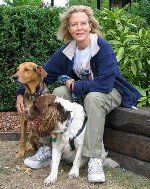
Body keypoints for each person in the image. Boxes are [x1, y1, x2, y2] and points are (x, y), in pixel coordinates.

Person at [16, 5, 141, 183]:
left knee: (93, 98)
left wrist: (76, 86)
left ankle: (94, 157)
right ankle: (47, 147)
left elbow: (105, 84)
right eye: (74, 24)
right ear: (68, 28)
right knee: (59, 92)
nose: (79, 28)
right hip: (84, 90)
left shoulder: (102, 48)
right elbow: (43, 74)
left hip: (111, 91)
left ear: (90, 25)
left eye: (83, 23)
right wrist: (21, 93)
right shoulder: (68, 51)